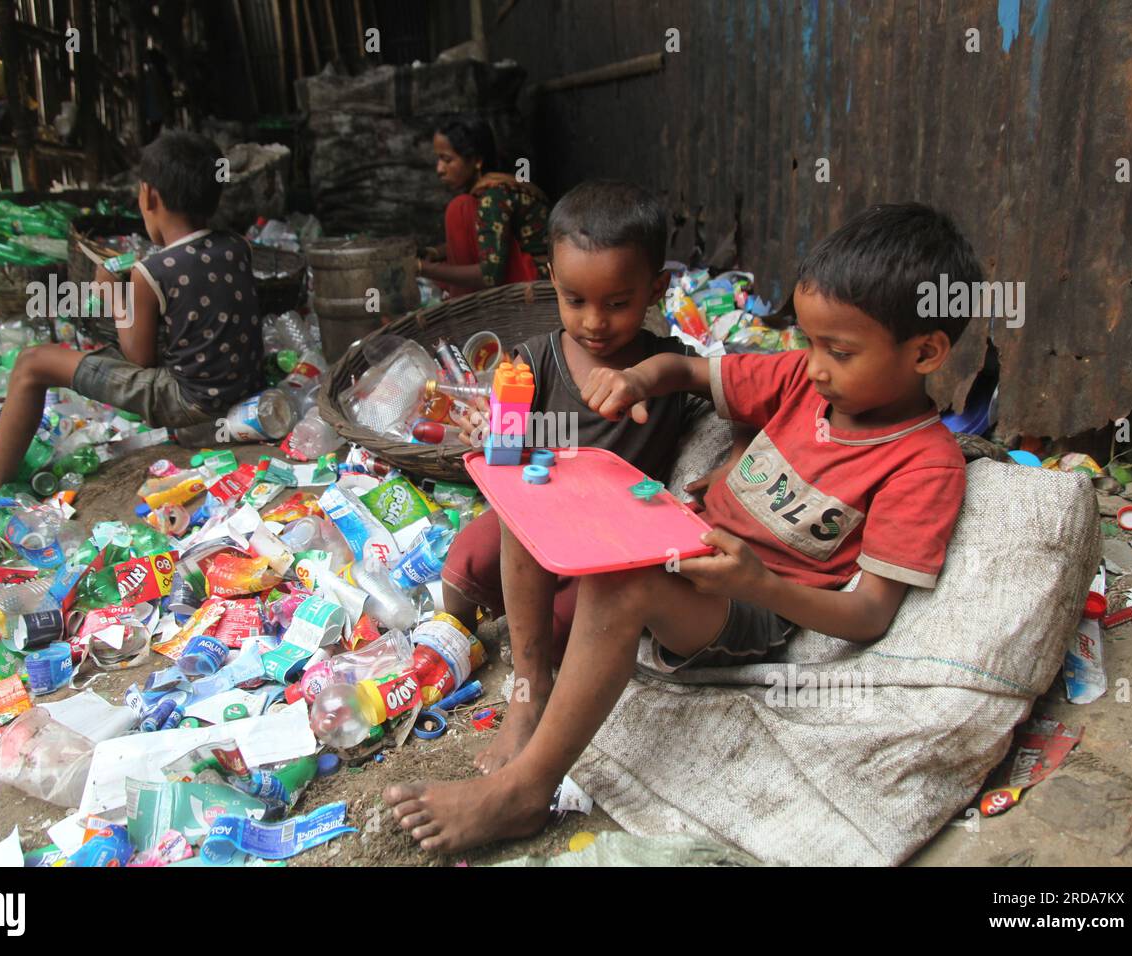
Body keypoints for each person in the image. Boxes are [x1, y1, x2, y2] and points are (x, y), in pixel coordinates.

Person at [386, 202, 981, 853]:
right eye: (808, 342)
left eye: (838, 351)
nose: (812, 366)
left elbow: (868, 614)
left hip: (750, 604)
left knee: (622, 587)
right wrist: (637, 378)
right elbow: (687, 370)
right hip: (681, 536)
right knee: (531, 503)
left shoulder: (923, 463)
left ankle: (527, 791)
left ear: (926, 352)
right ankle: (529, 694)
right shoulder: (803, 382)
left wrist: (759, 585)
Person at [438, 180, 709, 774]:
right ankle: (458, 646)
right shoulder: (533, 361)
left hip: (606, 549)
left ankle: (530, 687)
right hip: (533, 529)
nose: (594, 322)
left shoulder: (668, 366)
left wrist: (730, 466)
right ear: (551, 282)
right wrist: (488, 433)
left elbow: (742, 396)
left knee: (566, 635)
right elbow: (504, 446)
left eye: (617, 302)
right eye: (575, 299)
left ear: (657, 289)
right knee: (463, 561)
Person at [0, 131, 263, 493]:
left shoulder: (152, 271)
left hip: (190, 402)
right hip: (243, 384)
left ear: (149, 195)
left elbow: (138, 357)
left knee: (32, 362)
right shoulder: (238, 246)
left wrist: (112, 291)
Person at [418, 115, 549, 298]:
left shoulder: (493, 197)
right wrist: (434, 253)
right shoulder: (491, 191)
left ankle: (467, 306)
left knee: (459, 208)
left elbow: (490, 275)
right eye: (438, 159)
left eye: (447, 160)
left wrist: (423, 269)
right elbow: (486, 240)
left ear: (477, 160)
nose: (439, 169)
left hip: (536, 281)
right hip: (526, 273)